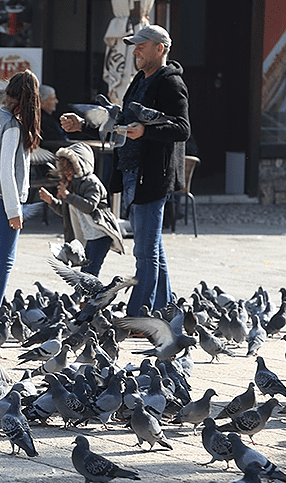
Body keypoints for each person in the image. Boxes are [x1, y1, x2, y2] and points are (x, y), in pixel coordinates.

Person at [62, 24, 190, 316]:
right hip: (133, 172)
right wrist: (83, 126)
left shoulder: (170, 83)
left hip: (152, 177)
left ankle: (137, 315)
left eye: (142, 45)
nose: (136, 50)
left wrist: (146, 131)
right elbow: (120, 123)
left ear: (160, 49)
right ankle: (164, 310)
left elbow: (182, 129)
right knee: (152, 248)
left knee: (144, 252)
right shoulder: (139, 79)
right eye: (135, 45)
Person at [0, 69, 41, 325]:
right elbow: (8, 170)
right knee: (6, 258)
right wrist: (14, 210)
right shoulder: (13, 126)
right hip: (7, 197)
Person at [38, 142, 124, 277]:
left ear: (81, 166)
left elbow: (89, 206)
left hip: (100, 234)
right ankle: (88, 295)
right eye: (64, 168)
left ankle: (92, 296)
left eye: (70, 167)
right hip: (86, 237)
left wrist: (68, 196)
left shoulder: (91, 182)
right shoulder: (71, 184)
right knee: (85, 272)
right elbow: (67, 212)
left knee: (90, 272)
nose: (67, 172)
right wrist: (52, 201)